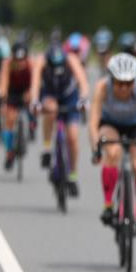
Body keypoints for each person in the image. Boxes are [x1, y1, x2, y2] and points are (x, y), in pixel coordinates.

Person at [88, 53, 136, 239]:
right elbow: (93, 121)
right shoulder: (102, 87)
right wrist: (95, 149)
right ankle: (108, 206)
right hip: (110, 123)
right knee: (112, 152)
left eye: (129, 83)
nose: (124, 88)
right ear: (111, 79)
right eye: (119, 83)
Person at [31, 44, 90, 196]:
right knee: (50, 110)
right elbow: (35, 83)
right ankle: (46, 148)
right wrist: (35, 101)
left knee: (73, 137)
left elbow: (82, 81)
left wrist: (83, 99)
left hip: (69, 96)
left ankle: (73, 175)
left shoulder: (71, 59)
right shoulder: (41, 61)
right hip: (50, 93)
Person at [0, 42, 34, 170]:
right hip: (12, 93)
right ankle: (9, 153)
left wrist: (31, 94)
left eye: (22, 59)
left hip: (26, 91)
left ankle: (32, 125)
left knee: (32, 104)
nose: (20, 62)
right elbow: (3, 83)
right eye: (17, 59)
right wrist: (3, 100)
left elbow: (35, 83)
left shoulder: (31, 64)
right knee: (10, 119)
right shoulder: (7, 64)